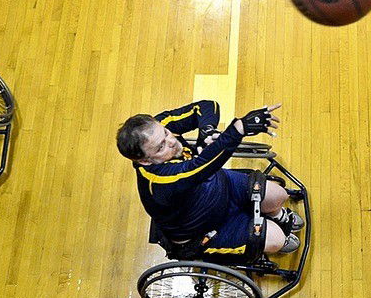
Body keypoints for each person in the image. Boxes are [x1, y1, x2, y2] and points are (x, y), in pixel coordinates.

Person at [117, 100, 304, 258]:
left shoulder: (155, 128)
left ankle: (278, 216)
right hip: (206, 229)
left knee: (279, 195)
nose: (172, 141)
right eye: (160, 148)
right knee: (277, 240)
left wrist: (206, 130)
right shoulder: (158, 181)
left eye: (166, 133)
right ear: (143, 160)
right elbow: (199, 167)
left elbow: (206, 106)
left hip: (219, 187)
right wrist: (239, 129)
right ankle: (275, 236)